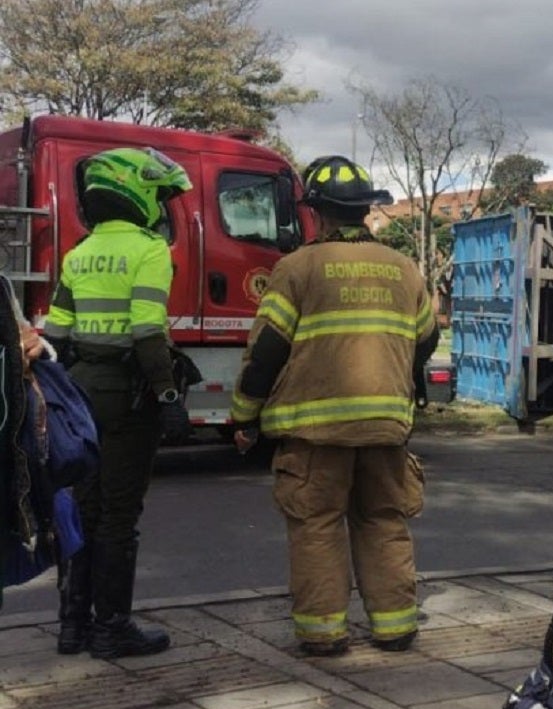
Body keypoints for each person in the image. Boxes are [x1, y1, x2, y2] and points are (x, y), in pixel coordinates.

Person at [230, 155, 439, 656]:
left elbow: (266, 352)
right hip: (386, 428)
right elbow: (426, 341)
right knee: (384, 520)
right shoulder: (403, 269)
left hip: (314, 432)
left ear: (318, 214)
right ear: (366, 211)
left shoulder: (297, 267)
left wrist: (244, 416)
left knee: (317, 525)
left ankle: (324, 635)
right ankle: (395, 627)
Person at [42, 147, 192, 657]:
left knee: (80, 511)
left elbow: (55, 334)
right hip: (127, 399)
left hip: (80, 390)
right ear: (140, 193)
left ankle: (72, 626)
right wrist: (168, 394)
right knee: (118, 517)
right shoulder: (149, 249)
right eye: (162, 196)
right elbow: (149, 331)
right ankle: (112, 629)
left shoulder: (79, 252)